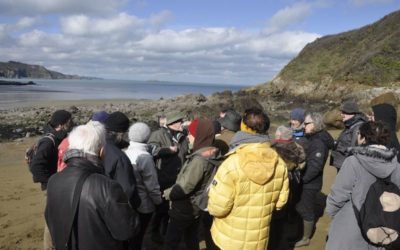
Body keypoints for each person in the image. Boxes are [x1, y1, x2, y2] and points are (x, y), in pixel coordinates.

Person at [45, 121, 140, 250]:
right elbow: (126, 230)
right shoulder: (107, 186)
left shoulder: (53, 180)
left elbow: (50, 220)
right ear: (101, 151)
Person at [208, 108, 289, 250]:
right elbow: (280, 203)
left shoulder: (231, 163)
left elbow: (217, 208)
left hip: (229, 238)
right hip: (258, 239)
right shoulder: (279, 163)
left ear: (243, 127)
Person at [326, 121, 400, 250]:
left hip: (351, 222)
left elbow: (338, 194)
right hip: (383, 226)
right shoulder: (396, 166)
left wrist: (335, 214)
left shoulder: (353, 162)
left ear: (363, 137)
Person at [163, 118, 219, 250]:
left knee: (171, 241)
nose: (188, 136)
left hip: (184, 207)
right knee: (191, 237)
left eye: (191, 133)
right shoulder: (213, 152)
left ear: (199, 135)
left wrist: (166, 194)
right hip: (197, 206)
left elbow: (185, 186)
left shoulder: (199, 160)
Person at [29, 109, 73, 250]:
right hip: (52, 186)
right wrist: (50, 183)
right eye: (69, 122)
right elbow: (36, 166)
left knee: (57, 217)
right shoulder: (49, 142)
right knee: (52, 220)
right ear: (61, 124)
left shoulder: (59, 136)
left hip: (57, 184)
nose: (72, 124)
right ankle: (49, 247)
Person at [147, 112, 189, 243]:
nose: (182, 124)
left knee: (171, 209)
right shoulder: (158, 134)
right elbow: (150, 151)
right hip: (163, 178)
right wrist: (167, 150)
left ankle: (166, 232)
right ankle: (154, 233)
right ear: (172, 123)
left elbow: (186, 153)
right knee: (161, 209)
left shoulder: (183, 136)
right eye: (180, 122)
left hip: (178, 178)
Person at [294, 112, 334, 247]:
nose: (303, 126)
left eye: (306, 123)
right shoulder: (313, 138)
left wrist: (301, 179)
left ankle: (306, 238)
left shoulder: (318, 142)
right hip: (309, 181)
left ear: (315, 124)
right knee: (303, 206)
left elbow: (315, 166)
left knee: (306, 209)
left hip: (310, 183)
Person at [125, 122, 162, 250]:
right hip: (144, 204)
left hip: (128, 201)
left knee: (131, 234)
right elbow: (152, 185)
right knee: (140, 235)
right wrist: (158, 201)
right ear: (147, 137)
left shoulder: (125, 153)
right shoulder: (145, 157)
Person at [268, 125, 306, 250]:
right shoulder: (298, 146)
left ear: (278, 136)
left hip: (281, 182)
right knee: (291, 202)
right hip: (295, 180)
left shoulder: (274, 149)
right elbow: (302, 161)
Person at [103, 111, 141, 208]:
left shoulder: (95, 145)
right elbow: (127, 191)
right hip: (114, 209)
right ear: (121, 133)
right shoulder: (119, 157)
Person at [330, 100, 367, 171]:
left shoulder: (357, 127)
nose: (341, 115)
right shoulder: (349, 125)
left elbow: (355, 149)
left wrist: (339, 147)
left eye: (344, 113)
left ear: (352, 114)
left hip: (349, 167)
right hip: (344, 165)